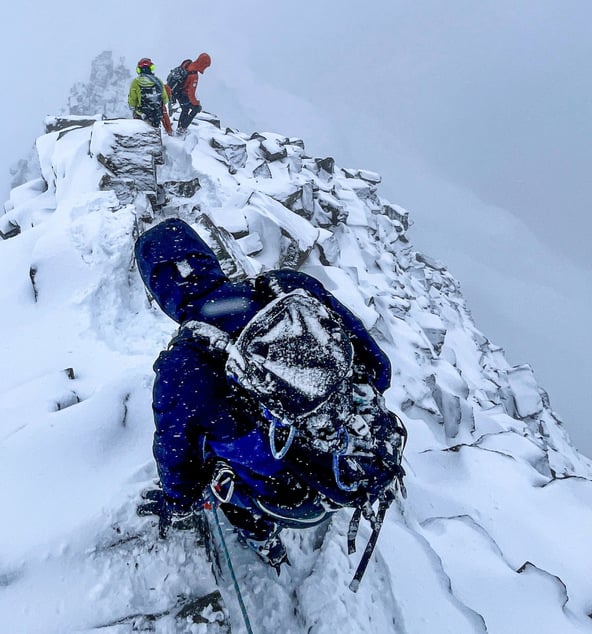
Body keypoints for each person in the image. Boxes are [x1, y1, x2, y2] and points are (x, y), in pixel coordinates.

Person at [134, 218, 400, 573]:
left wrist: (176, 504)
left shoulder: (181, 366)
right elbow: (378, 368)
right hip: (366, 451)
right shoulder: (285, 287)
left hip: (294, 500)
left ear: (159, 291)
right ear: (207, 257)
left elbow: (177, 462)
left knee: (215, 468)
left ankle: (263, 537)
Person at [166, 53, 211, 134]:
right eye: (206, 66)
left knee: (185, 108)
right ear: (203, 64)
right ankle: (182, 128)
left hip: (177, 92)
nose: (205, 68)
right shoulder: (194, 75)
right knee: (196, 109)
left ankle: (180, 127)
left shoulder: (188, 64)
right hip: (183, 95)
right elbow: (191, 93)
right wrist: (197, 103)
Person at [128, 57, 173, 135]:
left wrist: (134, 108)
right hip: (156, 114)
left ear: (139, 70)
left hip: (141, 114)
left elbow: (132, 99)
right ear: (151, 68)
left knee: (141, 134)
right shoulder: (158, 81)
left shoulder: (135, 82)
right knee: (155, 132)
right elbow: (165, 99)